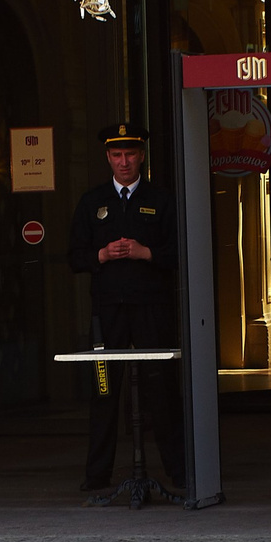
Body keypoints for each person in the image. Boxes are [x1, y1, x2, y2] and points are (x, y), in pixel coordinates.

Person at [67, 123, 182, 493]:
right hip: (108, 312)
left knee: (161, 391)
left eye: (130, 154)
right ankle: (96, 474)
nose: (124, 162)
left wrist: (144, 252)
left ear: (141, 156)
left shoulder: (161, 200)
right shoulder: (93, 202)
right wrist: (101, 254)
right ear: (108, 158)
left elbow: (181, 251)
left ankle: (179, 472)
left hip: (151, 309)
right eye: (116, 155)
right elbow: (74, 256)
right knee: (104, 392)